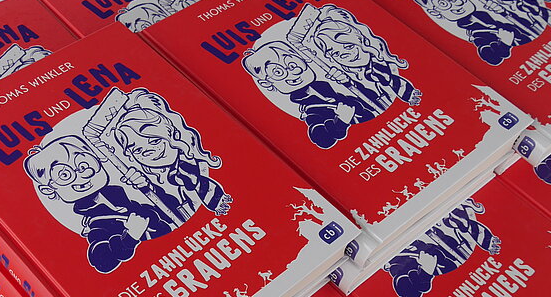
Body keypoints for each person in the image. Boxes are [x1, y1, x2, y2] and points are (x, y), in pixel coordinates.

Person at [25, 135, 172, 273]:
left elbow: (171, 215)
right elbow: (102, 261)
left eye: (83, 165)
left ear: (97, 159)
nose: (81, 176)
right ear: (48, 190)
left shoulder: (123, 200)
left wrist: (148, 188)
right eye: (64, 175)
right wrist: (130, 237)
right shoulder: (97, 223)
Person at [113, 104, 231, 224]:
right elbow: (178, 219)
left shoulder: (201, 167)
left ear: (174, 134)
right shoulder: (176, 182)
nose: (148, 151)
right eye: (137, 150)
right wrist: (148, 188)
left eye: (155, 141)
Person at [242, 40, 373, 148]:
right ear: (266, 84)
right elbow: (323, 139)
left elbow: (371, 102)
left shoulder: (328, 89)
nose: (293, 73)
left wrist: (349, 83)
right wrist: (341, 121)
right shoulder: (311, 110)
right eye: (278, 72)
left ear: (303, 59)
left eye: (292, 64)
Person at [410, 0, 530, 66]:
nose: (456, 4)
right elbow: (491, 57)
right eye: (443, 3)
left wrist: (505, 13)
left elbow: (526, 27)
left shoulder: (486, 16)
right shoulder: (476, 33)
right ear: (435, 12)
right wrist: (504, 43)